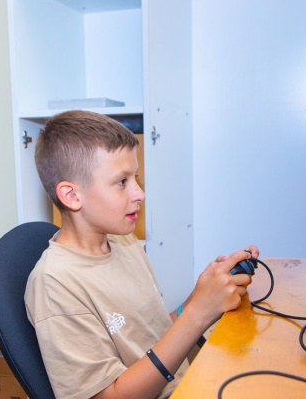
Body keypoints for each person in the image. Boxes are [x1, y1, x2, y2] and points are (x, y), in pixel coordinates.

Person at [25, 110, 258, 399]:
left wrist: (202, 298)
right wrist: (197, 315)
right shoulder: (55, 284)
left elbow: (149, 337)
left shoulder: (123, 240)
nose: (140, 194)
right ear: (72, 196)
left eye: (135, 178)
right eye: (122, 182)